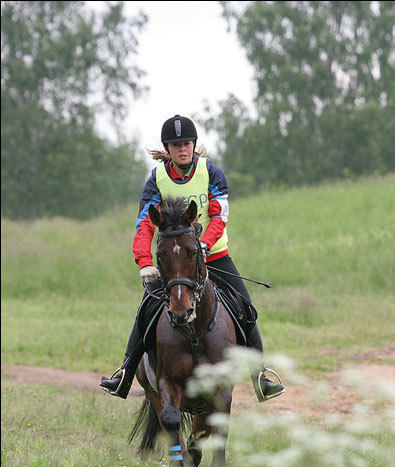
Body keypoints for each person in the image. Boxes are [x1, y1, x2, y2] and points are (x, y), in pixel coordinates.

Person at [100, 114, 285, 402]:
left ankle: (260, 376)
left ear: (194, 144)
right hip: (174, 263)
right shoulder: (156, 179)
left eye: (186, 143)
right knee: (145, 313)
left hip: (213, 256)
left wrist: (203, 245)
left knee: (246, 309)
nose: (182, 149)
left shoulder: (211, 172)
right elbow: (144, 224)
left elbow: (219, 216)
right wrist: (144, 261)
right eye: (175, 145)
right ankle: (124, 373)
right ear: (167, 149)